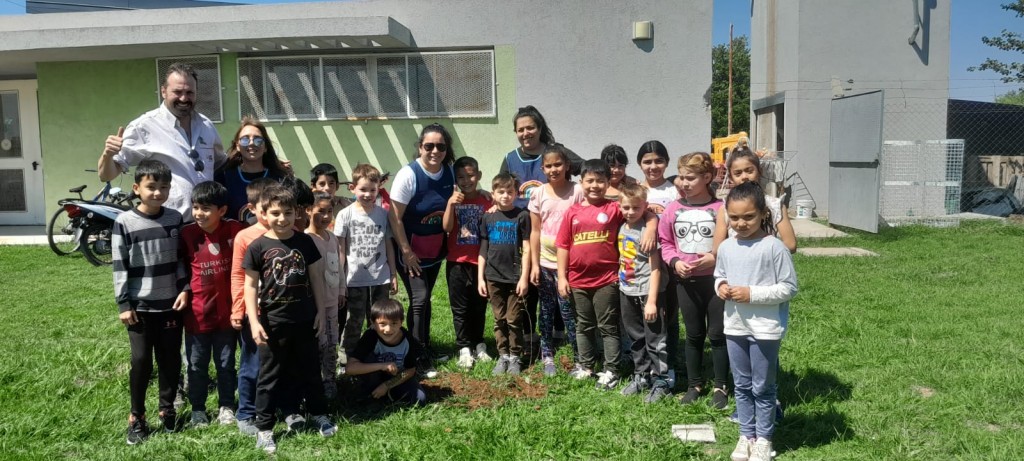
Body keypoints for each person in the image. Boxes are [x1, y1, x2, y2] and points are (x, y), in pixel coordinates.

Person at [242, 186, 337, 454]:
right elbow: (250, 287)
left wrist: (319, 311)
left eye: (287, 212)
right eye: (275, 213)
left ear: (296, 212)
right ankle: (264, 428)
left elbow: (316, 278)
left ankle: (319, 414)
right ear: (263, 214)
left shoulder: (305, 242)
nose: (282, 218)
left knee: (310, 369)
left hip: (305, 318)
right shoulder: (257, 246)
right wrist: (254, 321)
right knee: (269, 377)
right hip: (272, 322)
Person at [716, 182, 798, 461]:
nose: (741, 223)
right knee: (741, 384)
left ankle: (763, 439)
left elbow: (788, 288)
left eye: (748, 216)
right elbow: (719, 275)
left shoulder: (774, 247)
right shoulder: (726, 247)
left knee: (763, 386)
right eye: (735, 217)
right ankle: (745, 435)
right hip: (735, 326)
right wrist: (722, 287)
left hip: (765, 329)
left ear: (763, 213)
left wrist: (752, 294)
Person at [111, 159, 187, 445]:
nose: (157, 192)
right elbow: (119, 266)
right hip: (139, 308)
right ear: (137, 188)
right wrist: (124, 304)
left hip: (170, 305)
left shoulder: (174, 219)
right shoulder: (124, 222)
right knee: (141, 361)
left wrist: (184, 289)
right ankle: (137, 416)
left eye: (163, 187)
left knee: (170, 361)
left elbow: (180, 259)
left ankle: (167, 410)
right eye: (151, 187)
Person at [500, 106, 582, 347]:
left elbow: (587, 168)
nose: (526, 133)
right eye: (520, 129)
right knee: (529, 279)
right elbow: (502, 185)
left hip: (556, 231)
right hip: (521, 228)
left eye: (530, 128)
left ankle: (558, 329)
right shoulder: (510, 157)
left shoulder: (554, 152)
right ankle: (528, 332)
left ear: (540, 129)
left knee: (557, 279)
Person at [99, 63, 225, 218]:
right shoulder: (144, 126)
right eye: (177, 92)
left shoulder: (207, 125)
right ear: (163, 91)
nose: (184, 98)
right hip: (168, 226)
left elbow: (220, 165)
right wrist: (108, 155)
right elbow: (106, 175)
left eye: (189, 92)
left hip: (206, 225)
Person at [659, 152, 729, 409]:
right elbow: (665, 242)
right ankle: (694, 384)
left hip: (715, 281)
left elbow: (731, 242)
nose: (684, 182)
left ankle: (721, 386)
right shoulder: (673, 210)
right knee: (694, 334)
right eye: (681, 177)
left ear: (707, 177)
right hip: (685, 282)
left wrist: (714, 257)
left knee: (718, 334)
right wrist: (675, 262)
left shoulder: (721, 209)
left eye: (691, 178)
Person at [388, 123, 457, 374]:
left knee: (426, 301)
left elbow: (465, 189)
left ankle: (424, 347)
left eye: (440, 146)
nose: (435, 151)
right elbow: (394, 218)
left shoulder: (449, 173)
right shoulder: (408, 175)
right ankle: (415, 356)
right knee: (419, 299)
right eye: (429, 146)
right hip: (410, 250)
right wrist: (406, 251)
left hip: (434, 250)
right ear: (420, 147)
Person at [555, 159, 626, 390]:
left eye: (600, 181)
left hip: (607, 280)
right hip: (577, 280)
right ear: (581, 182)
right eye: (590, 180)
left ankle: (612, 370)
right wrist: (563, 277)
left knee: (608, 326)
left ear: (608, 183)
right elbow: (563, 246)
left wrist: (653, 218)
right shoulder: (572, 212)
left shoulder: (615, 209)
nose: (594, 185)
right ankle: (586, 366)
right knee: (583, 325)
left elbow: (640, 213)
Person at [178, 181, 245, 427]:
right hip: (197, 315)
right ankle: (198, 409)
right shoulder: (186, 234)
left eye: (206, 208)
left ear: (223, 210)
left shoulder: (235, 230)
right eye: (195, 207)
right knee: (196, 365)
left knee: (226, 364)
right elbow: (179, 269)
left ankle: (226, 406)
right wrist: (184, 290)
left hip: (227, 314)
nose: (199, 214)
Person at [334, 163, 398, 368]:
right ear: (352, 188)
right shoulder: (345, 215)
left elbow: (388, 245)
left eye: (373, 189)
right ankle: (346, 358)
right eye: (363, 189)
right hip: (355, 279)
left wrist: (394, 274)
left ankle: (375, 352)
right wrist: (340, 280)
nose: (368, 194)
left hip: (380, 277)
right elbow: (341, 250)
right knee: (355, 319)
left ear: (379, 187)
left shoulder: (383, 214)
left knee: (380, 318)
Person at [228, 178, 277, 436]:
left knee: (277, 362)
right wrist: (239, 309)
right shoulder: (244, 237)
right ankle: (246, 411)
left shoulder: (289, 233)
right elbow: (238, 276)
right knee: (252, 363)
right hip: (254, 312)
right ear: (253, 208)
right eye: (265, 208)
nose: (272, 215)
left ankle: (272, 407)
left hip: (282, 312)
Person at [529, 145, 583, 377]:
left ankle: (579, 355)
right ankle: (547, 353)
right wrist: (533, 264)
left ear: (567, 166)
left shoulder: (578, 191)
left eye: (558, 164)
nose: (554, 169)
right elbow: (534, 231)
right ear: (542, 168)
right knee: (547, 310)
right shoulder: (538, 193)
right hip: (544, 263)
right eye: (549, 166)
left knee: (570, 311)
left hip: (571, 265)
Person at [616, 183, 671, 403]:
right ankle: (641, 376)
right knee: (636, 338)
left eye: (635, 208)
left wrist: (652, 301)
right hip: (627, 290)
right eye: (626, 207)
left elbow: (655, 268)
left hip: (648, 293)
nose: (630, 212)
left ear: (645, 207)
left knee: (655, 339)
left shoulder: (648, 233)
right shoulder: (623, 227)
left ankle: (662, 380)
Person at [636, 140, 681, 388]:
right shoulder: (634, 190)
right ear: (639, 164)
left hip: (670, 261)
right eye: (647, 161)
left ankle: (670, 364)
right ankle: (644, 367)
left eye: (658, 161)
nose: (653, 166)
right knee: (644, 317)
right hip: (641, 265)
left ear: (666, 162)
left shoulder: (675, 191)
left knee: (669, 315)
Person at [442, 156, 493, 369]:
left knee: (479, 305)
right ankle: (464, 346)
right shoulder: (454, 199)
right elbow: (446, 228)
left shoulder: (487, 200)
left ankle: (479, 342)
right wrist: (450, 204)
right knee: (460, 307)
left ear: (478, 176)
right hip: (456, 262)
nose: (466, 180)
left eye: (470, 175)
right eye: (461, 177)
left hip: (481, 262)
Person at [478, 173, 531, 375]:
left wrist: (524, 277)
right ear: (493, 194)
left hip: (515, 277)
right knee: (498, 319)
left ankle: (516, 356)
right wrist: (480, 277)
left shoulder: (522, 216)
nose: (506, 195)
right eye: (501, 192)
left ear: (516, 193)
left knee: (513, 319)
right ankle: (503, 356)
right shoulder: (488, 217)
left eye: (510, 192)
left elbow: (526, 249)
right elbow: (483, 249)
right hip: (493, 276)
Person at [345, 298, 428, 406]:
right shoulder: (370, 337)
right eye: (382, 324)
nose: (388, 329)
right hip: (373, 375)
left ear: (401, 322)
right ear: (373, 323)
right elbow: (350, 368)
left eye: (394, 323)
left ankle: (387, 394)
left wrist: (387, 385)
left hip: (396, 378)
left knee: (420, 399)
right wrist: (382, 366)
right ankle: (370, 396)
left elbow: (411, 370)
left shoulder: (408, 340)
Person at [306, 192, 344, 400]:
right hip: (315, 305)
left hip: (332, 302)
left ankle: (330, 380)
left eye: (329, 211)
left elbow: (338, 267)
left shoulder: (332, 239)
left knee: (331, 343)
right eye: (320, 211)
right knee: (318, 343)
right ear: (308, 210)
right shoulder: (305, 239)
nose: (326, 216)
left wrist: (341, 291)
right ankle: (315, 382)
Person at [215, 117, 289, 223]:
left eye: (258, 140)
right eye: (245, 139)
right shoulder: (224, 176)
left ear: (266, 147)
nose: (251, 143)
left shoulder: (280, 177)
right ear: (237, 146)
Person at [310, 163, 353, 232]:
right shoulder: (309, 207)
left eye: (331, 183)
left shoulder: (345, 205)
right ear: (313, 186)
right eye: (322, 184)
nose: (327, 188)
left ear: (337, 186)